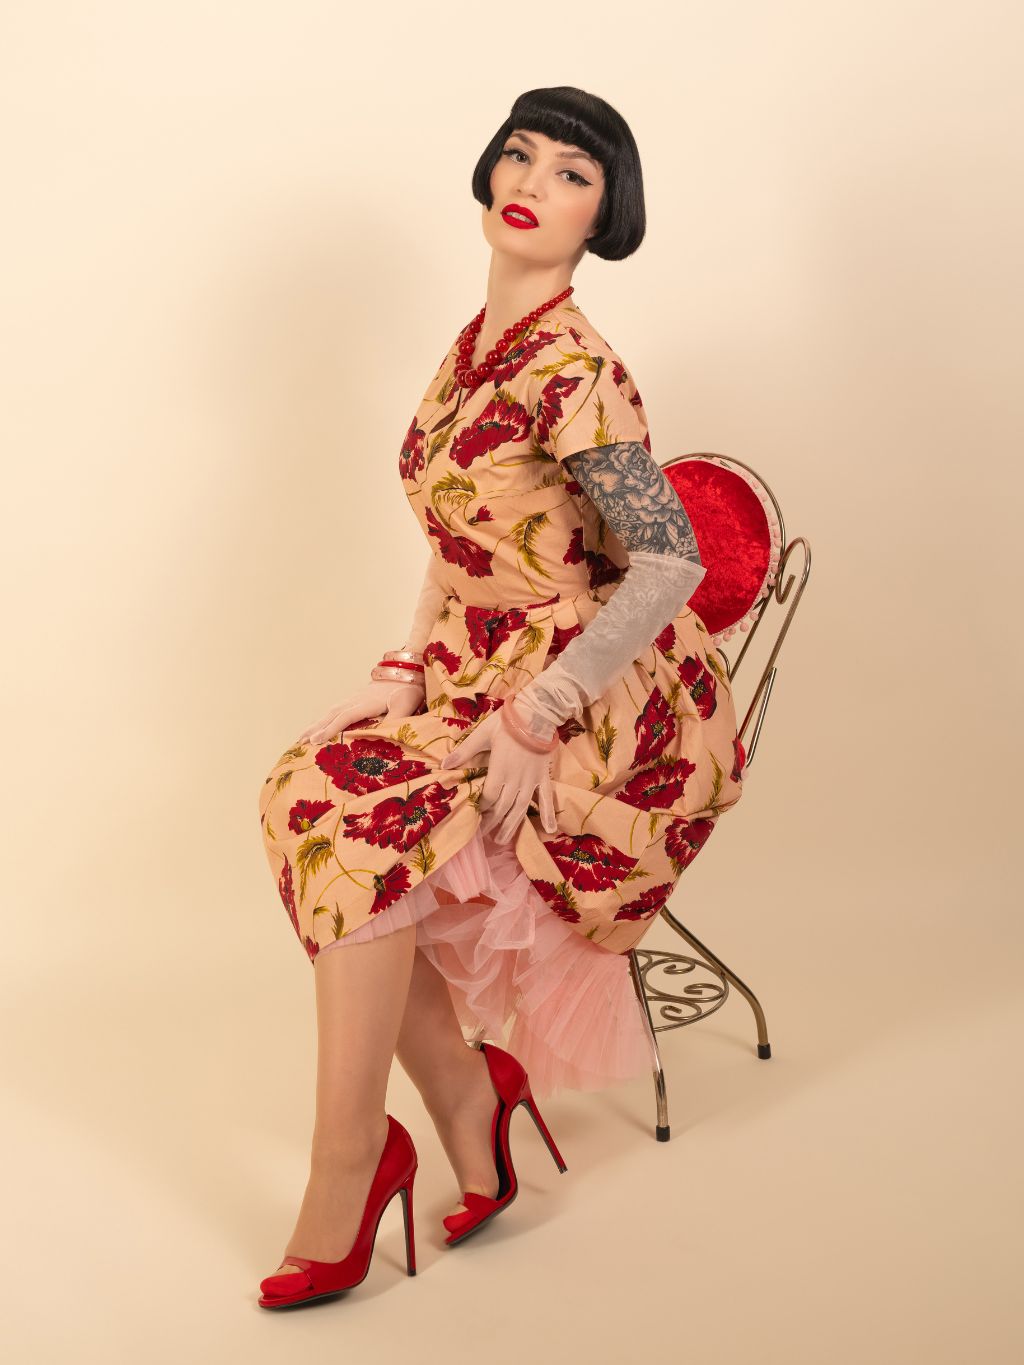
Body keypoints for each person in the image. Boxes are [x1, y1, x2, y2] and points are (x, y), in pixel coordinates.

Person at [256, 85, 746, 1309]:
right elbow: (463, 532)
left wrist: (541, 712)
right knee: (299, 796)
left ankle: (353, 1161)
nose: (532, 179)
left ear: (605, 214)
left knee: (362, 837)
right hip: (477, 661)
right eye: (518, 154)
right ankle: (466, 1102)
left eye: (573, 172)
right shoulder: (478, 348)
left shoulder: (575, 365)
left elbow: (670, 560)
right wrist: (403, 665)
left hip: (599, 695)